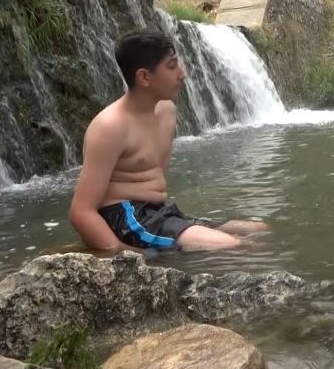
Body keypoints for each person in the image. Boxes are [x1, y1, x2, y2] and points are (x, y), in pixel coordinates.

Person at [68, 29, 266, 254]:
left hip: (157, 212)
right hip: (125, 217)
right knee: (230, 246)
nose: (182, 74)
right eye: (172, 66)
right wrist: (124, 253)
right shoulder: (110, 126)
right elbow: (80, 212)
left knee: (257, 229)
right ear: (144, 77)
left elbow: (157, 180)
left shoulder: (167, 111)